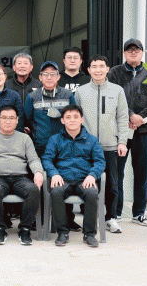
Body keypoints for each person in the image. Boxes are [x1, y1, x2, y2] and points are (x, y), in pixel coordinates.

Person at [107, 38, 147, 226]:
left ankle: (139, 213)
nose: (133, 52)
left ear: (142, 52)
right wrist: (130, 116)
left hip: (144, 130)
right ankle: (115, 213)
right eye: (129, 50)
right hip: (120, 130)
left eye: (136, 50)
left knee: (141, 173)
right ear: (124, 53)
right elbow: (112, 97)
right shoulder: (114, 73)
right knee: (117, 172)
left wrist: (140, 119)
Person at [75, 55, 129, 234]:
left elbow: (122, 117)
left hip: (110, 145)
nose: (98, 70)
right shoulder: (81, 92)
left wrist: (122, 141)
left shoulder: (117, 90)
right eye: (94, 66)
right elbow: (75, 119)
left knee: (112, 183)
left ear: (107, 69)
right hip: (86, 146)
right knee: (87, 182)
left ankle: (111, 217)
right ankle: (90, 216)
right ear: (88, 70)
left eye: (101, 66)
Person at [0, 105, 43, 246]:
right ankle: (0, 229)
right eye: (4, 118)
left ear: (17, 120)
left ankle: (25, 229)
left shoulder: (25, 138)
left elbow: (33, 159)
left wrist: (38, 172)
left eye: (12, 118)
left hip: (20, 178)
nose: (8, 121)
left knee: (33, 190)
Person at [42, 105, 106, 248]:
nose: (72, 120)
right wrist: (54, 173)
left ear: (82, 119)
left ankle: (89, 234)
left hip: (84, 179)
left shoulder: (91, 140)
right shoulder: (55, 139)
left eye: (76, 117)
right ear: (62, 120)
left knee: (92, 193)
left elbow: (100, 161)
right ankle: (62, 233)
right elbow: (46, 159)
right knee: (56, 192)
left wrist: (92, 175)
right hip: (63, 178)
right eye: (68, 117)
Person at [24, 61, 78, 230]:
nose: (49, 77)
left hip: (64, 147)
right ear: (40, 77)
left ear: (58, 77)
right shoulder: (32, 96)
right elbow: (27, 119)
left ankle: (67, 219)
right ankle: (38, 219)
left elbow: (74, 117)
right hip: (40, 147)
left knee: (65, 181)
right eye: (45, 74)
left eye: (53, 74)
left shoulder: (67, 95)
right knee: (39, 183)